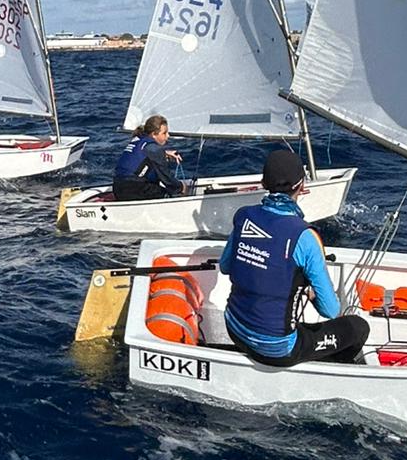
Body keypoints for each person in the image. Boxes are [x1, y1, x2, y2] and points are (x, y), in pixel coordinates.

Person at [219, 147, 369, 366]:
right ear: (302, 186)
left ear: (263, 184)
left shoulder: (244, 216)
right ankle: (331, 371)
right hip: (276, 350)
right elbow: (330, 310)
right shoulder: (306, 237)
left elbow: (225, 266)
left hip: (233, 328)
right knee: (357, 328)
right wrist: (308, 293)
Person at [112, 114, 187, 200]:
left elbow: (142, 155)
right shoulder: (154, 149)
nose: (168, 136)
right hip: (133, 189)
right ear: (154, 134)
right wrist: (181, 187)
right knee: (171, 194)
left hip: (117, 187)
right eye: (164, 133)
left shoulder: (138, 140)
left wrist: (164, 153)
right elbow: (166, 178)